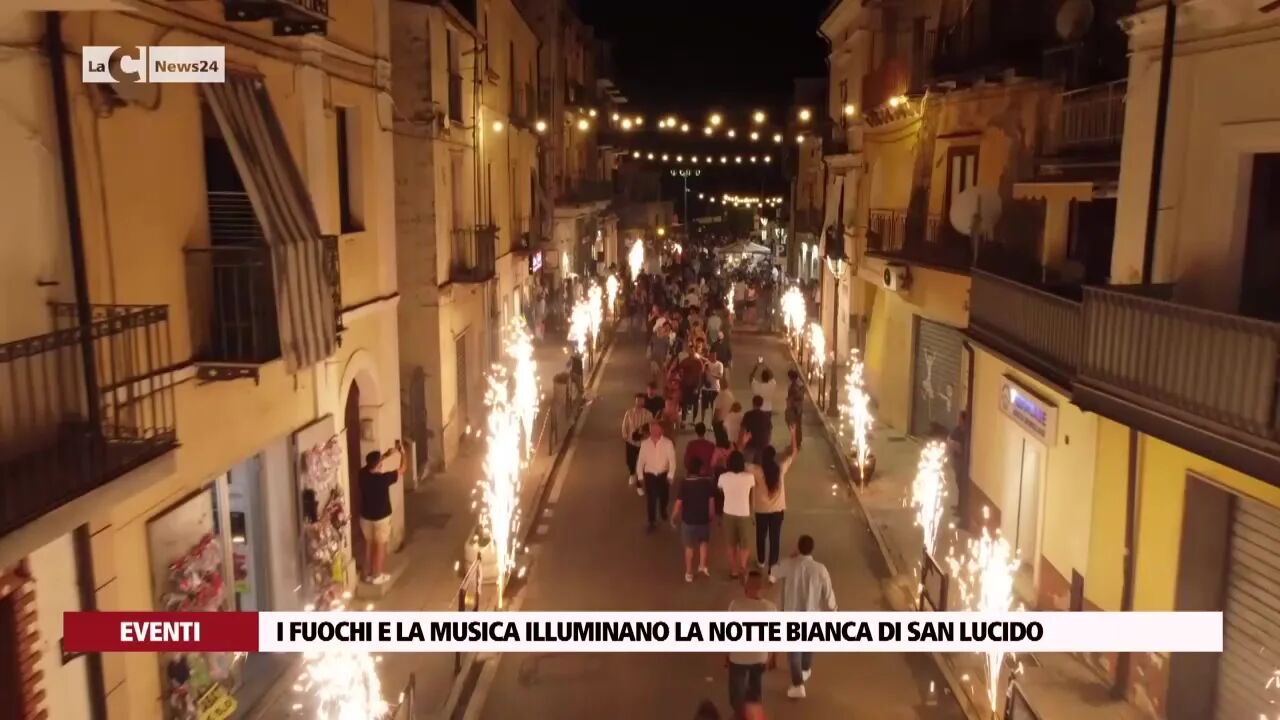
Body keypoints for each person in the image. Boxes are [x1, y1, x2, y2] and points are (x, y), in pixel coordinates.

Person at [773, 535, 837, 699]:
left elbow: (773, 574)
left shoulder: (789, 565)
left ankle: (797, 685)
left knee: (794, 652)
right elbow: (828, 592)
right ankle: (805, 669)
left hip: (791, 613)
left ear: (798, 547)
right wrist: (833, 609)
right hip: (812, 613)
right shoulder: (820, 568)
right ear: (812, 549)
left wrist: (789, 556)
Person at [726, 571, 776, 713]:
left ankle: (739, 712)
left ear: (745, 588)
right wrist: (772, 657)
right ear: (762, 589)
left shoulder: (735, 605)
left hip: (738, 657)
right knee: (755, 686)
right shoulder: (770, 608)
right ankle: (754, 711)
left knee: (736, 690)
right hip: (759, 657)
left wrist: (726, 654)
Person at [751, 426, 797, 580]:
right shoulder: (780, 469)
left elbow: (739, 461)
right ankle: (772, 571)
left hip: (761, 510)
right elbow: (794, 453)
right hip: (777, 510)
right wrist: (793, 435)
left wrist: (742, 443)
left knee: (760, 535)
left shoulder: (757, 471)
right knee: (775, 538)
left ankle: (761, 560)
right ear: (774, 457)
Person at [359, 440, 404, 584]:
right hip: (381, 518)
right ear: (378, 465)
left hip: (366, 517)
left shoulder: (362, 474)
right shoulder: (383, 479)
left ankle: (366, 574)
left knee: (368, 544)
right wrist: (403, 453)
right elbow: (403, 469)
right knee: (380, 546)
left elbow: (373, 464)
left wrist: (385, 455)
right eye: (381, 462)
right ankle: (377, 575)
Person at [671, 456, 716, 582]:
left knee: (689, 547)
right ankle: (702, 566)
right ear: (701, 469)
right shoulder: (707, 483)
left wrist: (674, 516)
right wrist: (711, 516)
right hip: (703, 519)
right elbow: (711, 502)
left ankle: (689, 573)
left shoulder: (684, 484)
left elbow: (679, 503)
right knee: (703, 543)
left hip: (688, 521)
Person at [717, 451, 755, 579]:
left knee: (730, 544)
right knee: (745, 543)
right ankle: (742, 566)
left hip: (728, 512)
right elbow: (751, 494)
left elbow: (721, 491)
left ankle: (733, 570)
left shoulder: (723, 477)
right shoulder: (749, 477)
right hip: (744, 513)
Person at [635, 421, 676, 531]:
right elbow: (641, 461)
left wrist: (671, 475)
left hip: (663, 475)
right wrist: (640, 477)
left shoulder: (668, 443)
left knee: (664, 497)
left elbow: (672, 461)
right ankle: (651, 521)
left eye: (656, 429)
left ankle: (663, 510)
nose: (653, 431)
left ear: (661, 430)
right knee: (651, 499)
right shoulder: (645, 444)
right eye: (651, 429)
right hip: (650, 475)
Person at [622, 393, 655, 496]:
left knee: (641, 466)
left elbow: (652, 429)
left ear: (644, 401)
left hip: (643, 444)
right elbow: (624, 425)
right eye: (637, 400)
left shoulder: (648, 414)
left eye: (641, 400)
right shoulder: (629, 413)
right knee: (630, 461)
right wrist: (625, 436)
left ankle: (639, 485)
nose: (639, 402)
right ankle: (632, 473)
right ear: (635, 401)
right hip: (631, 442)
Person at [949, 410, 970, 529]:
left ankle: (961, 510)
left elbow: (963, 448)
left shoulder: (966, 432)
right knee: (958, 484)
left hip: (962, 463)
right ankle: (959, 506)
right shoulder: (958, 430)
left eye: (959, 419)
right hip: (956, 462)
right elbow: (951, 436)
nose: (958, 420)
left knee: (962, 486)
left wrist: (956, 446)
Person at [678, 345, 707, 426]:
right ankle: (683, 420)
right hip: (686, 385)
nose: (691, 352)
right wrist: (681, 378)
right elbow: (679, 369)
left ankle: (694, 420)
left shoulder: (698, 362)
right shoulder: (685, 361)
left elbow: (700, 376)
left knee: (695, 404)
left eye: (692, 351)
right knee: (684, 402)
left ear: (695, 352)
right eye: (689, 350)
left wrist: (698, 387)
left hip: (695, 385)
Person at [740, 395, 772, 463]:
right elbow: (769, 430)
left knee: (747, 464)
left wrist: (741, 443)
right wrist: (767, 442)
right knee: (759, 465)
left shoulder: (748, 415)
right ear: (762, 404)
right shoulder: (766, 416)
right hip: (762, 443)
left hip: (750, 443)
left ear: (753, 403)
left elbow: (743, 429)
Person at [701, 350, 725, 424]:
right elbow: (702, 375)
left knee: (714, 407)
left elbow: (720, 376)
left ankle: (712, 423)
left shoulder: (719, 364)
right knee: (703, 407)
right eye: (711, 355)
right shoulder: (706, 364)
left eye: (715, 355)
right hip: (705, 388)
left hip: (715, 388)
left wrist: (711, 374)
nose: (713, 356)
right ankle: (702, 421)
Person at [784, 369, 805, 450]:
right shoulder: (800, 384)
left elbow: (794, 396)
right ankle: (798, 441)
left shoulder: (794, 386)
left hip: (794, 407)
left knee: (793, 425)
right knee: (798, 425)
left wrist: (789, 404)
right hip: (799, 407)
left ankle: (795, 443)